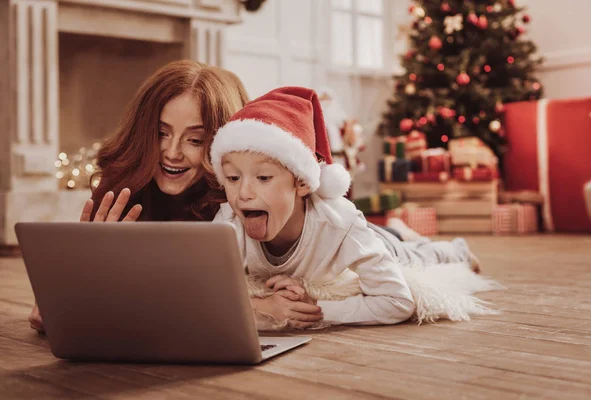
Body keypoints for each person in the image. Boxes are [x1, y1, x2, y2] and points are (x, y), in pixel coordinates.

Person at [210, 86, 494, 329]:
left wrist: (318, 308)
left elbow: (398, 302)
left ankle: (454, 249)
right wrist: (259, 307)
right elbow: (204, 295)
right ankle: (397, 229)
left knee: (415, 257)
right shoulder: (228, 225)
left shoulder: (341, 227)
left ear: (302, 183)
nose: (243, 193)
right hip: (363, 234)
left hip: (376, 239)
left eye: (263, 178)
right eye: (233, 178)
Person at [28, 60, 251, 333]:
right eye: (161, 133)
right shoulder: (123, 194)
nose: (172, 152)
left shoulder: (240, 203)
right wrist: (66, 289)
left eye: (194, 140)